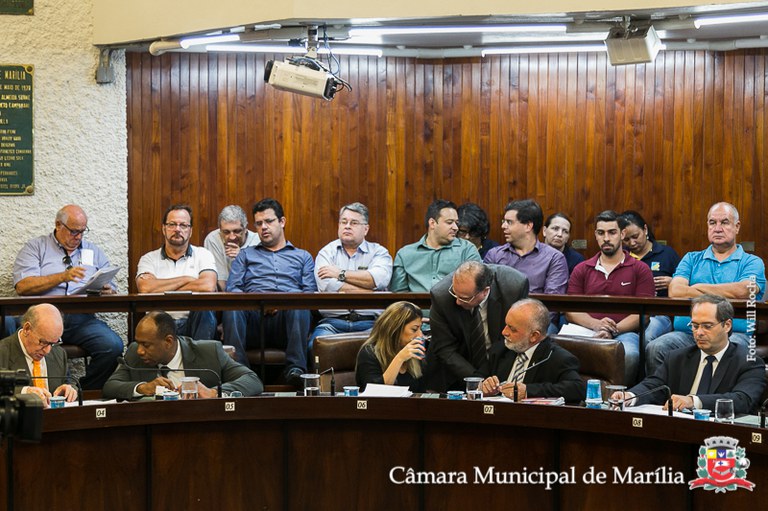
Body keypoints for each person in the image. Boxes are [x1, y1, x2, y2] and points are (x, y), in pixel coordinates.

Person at [646, 202, 766, 375]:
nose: (717, 228)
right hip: (688, 333)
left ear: (737, 226)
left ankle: (718, 394)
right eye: (712, 223)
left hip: (735, 335)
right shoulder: (691, 258)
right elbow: (676, 291)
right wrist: (725, 291)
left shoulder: (752, 262)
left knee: (734, 350)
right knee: (656, 347)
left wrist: (696, 287)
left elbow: (743, 291)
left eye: (724, 222)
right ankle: (664, 392)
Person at [13, 204, 123, 390]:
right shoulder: (36, 247)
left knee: (112, 346)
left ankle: (84, 392)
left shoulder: (93, 251)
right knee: (15, 332)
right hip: (42, 319)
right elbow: (23, 286)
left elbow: (110, 283)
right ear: (58, 225)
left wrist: (108, 289)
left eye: (82, 231)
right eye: (73, 231)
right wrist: (62, 277)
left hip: (81, 320)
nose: (78, 237)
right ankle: (30, 391)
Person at [613, 295, 765, 414]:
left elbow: (742, 400)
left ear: (727, 325)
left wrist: (693, 401)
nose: (699, 332)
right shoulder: (676, 358)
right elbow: (653, 386)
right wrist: (630, 395)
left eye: (707, 326)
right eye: (695, 325)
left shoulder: (749, 362)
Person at [222, 198, 317, 387]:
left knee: (300, 303)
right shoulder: (245, 254)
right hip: (253, 321)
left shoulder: (302, 256)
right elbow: (233, 289)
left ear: (282, 221)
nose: (263, 227)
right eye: (259, 223)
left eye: (269, 221)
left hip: (288, 321)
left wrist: (280, 303)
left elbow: (310, 294)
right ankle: (240, 371)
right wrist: (259, 304)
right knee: (232, 307)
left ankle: (296, 369)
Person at [566, 210, 655, 385]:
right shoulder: (582, 268)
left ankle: (616, 398)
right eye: (601, 233)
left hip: (625, 332)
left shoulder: (640, 269)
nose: (606, 238)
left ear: (622, 234)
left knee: (629, 355)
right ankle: (576, 398)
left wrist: (612, 330)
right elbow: (571, 311)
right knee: (560, 352)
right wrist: (597, 325)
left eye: (612, 232)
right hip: (587, 330)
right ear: (596, 235)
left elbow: (643, 314)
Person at [103, 311, 263, 400]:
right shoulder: (134, 353)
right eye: (138, 343)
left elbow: (252, 380)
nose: (140, 350)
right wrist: (143, 387)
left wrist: (214, 393)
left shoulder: (209, 352)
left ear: (168, 341)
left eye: (146, 345)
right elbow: (110, 387)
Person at [425, 261, 529, 392]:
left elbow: (516, 335)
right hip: (455, 371)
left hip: (500, 366)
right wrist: (477, 381)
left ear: (485, 291)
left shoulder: (514, 287)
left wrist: (493, 381)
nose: (457, 301)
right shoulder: (441, 295)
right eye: (455, 293)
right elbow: (445, 348)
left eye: (464, 298)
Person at [311, 202, 393, 348]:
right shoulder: (326, 253)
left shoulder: (379, 252)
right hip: (332, 323)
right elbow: (327, 286)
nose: (347, 226)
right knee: (315, 347)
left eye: (354, 223)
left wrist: (340, 273)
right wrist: (371, 292)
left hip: (371, 323)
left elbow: (377, 280)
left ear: (366, 229)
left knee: (382, 348)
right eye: (344, 222)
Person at [477, 299, 585, 404]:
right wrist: (483, 386)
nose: (504, 332)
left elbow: (577, 389)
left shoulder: (557, 357)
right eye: (506, 325)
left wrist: (528, 391)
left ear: (534, 336)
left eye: (512, 329)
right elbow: (476, 378)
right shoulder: (501, 349)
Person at [136, 204, 217, 340]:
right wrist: (187, 279)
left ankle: (200, 354)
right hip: (160, 323)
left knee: (204, 310)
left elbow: (208, 286)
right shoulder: (149, 258)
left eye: (183, 225)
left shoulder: (203, 254)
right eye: (172, 224)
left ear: (190, 231)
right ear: (164, 229)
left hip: (194, 321)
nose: (177, 229)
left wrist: (160, 287)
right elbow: (145, 288)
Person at [483, 200, 568, 316]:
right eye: (504, 221)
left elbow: (552, 303)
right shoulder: (494, 255)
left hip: (537, 320)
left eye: (509, 222)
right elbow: (484, 295)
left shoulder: (554, 258)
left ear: (528, 226)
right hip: (499, 319)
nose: (503, 226)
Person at [389, 199, 481, 293]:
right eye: (449, 222)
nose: (455, 228)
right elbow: (399, 294)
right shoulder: (405, 254)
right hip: (415, 302)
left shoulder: (467, 249)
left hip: (455, 301)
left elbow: (476, 288)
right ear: (432, 223)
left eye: (456, 223)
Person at [618, 210, 681, 340]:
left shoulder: (667, 254)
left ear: (645, 230)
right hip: (628, 314)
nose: (632, 243)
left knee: (647, 336)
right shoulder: (621, 257)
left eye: (635, 236)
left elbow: (686, 285)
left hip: (659, 315)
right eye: (626, 240)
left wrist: (673, 283)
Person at [0, 304, 78, 407]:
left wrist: (70, 389)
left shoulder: (59, 353)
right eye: (43, 342)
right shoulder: (3, 352)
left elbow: (69, 382)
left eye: (53, 343)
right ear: (27, 329)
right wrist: (24, 392)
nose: (48, 350)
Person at [355, 301, 426, 392]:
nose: (420, 335)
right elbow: (376, 393)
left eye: (420, 329)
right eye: (414, 329)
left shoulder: (415, 354)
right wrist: (399, 358)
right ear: (396, 329)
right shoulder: (369, 353)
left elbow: (421, 394)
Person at [204, 205, 260, 291]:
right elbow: (220, 282)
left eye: (237, 231)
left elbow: (261, 279)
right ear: (220, 230)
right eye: (226, 232)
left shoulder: (258, 241)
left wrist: (242, 257)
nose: (232, 237)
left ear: (245, 228)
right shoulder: (213, 239)